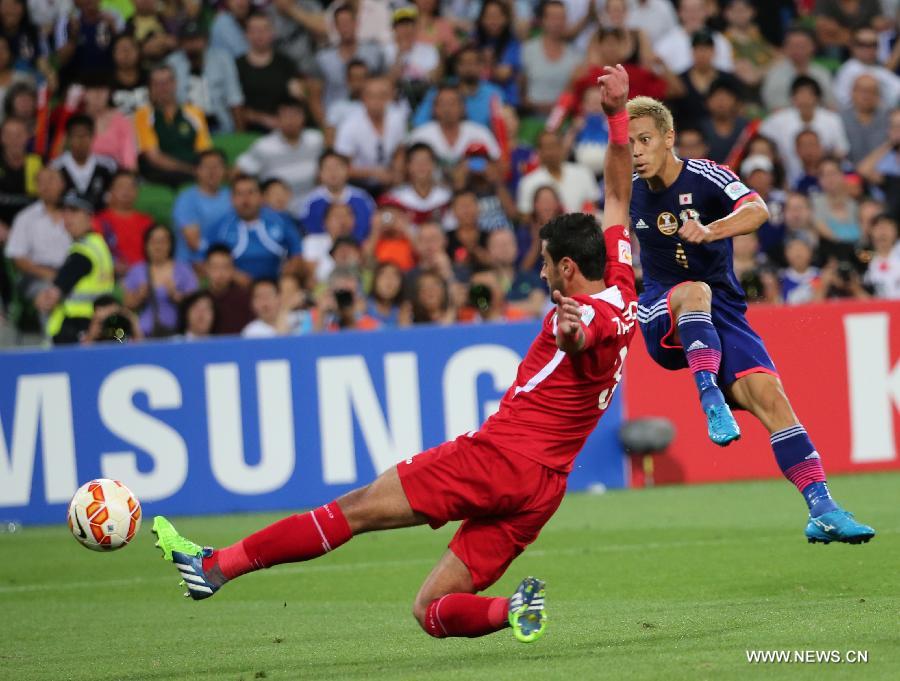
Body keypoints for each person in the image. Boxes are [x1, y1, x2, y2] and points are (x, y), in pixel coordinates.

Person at [151, 67, 638, 650]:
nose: (537, 270)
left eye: (543, 261)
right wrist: (616, 115)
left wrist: (569, 333)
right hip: (545, 488)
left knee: (355, 510)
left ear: (565, 269)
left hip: (499, 459)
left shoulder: (590, 314)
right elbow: (616, 192)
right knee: (429, 609)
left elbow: (581, 334)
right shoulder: (624, 282)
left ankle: (217, 566)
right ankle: (510, 610)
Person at [626, 95, 875, 544]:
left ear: (668, 137)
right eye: (629, 144)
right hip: (661, 308)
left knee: (771, 397)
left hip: (722, 310)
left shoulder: (706, 176)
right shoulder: (627, 189)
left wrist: (711, 229)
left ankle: (822, 507)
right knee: (692, 291)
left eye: (645, 140)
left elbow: (758, 209)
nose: (637, 151)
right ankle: (710, 398)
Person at [34, 192, 114, 344]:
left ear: (90, 217)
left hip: (77, 326)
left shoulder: (82, 253)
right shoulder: (98, 244)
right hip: (95, 324)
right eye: (65, 211)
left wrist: (40, 298)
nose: (67, 216)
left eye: (75, 211)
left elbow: (49, 299)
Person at [202, 174, 304, 280]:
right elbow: (203, 262)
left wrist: (287, 276)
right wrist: (233, 275)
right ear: (231, 199)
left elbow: (297, 254)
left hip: (277, 285)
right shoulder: (219, 227)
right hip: (235, 288)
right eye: (239, 194)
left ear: (261, 197)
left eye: (251, 192)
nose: (245, 199)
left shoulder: (282, 220)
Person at [758, 75, 849, 186]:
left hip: (823, 180)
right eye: (800, 94)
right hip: (787, 179)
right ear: (792, 98)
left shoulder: (832, 120)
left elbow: (841, 151)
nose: (804, 99)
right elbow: (760, 139)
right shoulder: (778, 120)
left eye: (809, 94)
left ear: (817, 98)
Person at [134, 64, 213, 187]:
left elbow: (204, 151)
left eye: (166, 82)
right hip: (162, 172)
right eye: (157, 84)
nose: (163, 88)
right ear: (150, 88)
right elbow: (154, 157)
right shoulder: (142, 115)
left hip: (193, 168)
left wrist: (205, 170)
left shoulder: (195, 113)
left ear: (175, 83)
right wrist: (192, 171)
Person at [235, 96, 324, 198]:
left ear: (304, 117)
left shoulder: (316, 139)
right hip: (278, 207)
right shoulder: (263, 146)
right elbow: (238, 172)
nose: (291, 120)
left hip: (313, 202)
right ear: (277, 119)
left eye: (296, 115)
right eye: (286, 115)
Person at [165, 21, 244, 134]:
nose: (193, 45)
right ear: (181, 43)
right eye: (188, 40)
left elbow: (234, 98)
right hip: (185, 126)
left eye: (197, 39)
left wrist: (240, 134)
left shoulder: (222, 59)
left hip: (220, 124)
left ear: (206, 40)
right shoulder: (172, 63)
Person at [333, 76, 407, 195]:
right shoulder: (350, 125)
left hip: (389, 182)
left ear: (389, 97)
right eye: (371, 96)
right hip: (358, 185)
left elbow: (399, 150)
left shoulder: (396, 118)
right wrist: (374, 173)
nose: (377, 101)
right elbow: (341, 167)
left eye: (382, 95)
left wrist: (397, 171)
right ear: (363, 98)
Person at [6, 167, 69, 307]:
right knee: (47, 295)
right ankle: (51, 329)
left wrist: (66, 275)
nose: (47, 186)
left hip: (70, 270)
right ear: (36, 187)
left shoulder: (75, 215)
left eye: (52, 180)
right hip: (36, 274)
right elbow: (18, 258)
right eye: (41, 182)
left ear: (63, 184)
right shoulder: (25, 218)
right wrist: (48, 274)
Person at [122, 224, 199, 338]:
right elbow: (126, 305)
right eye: (153, 241)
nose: (158, 246)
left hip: (177, 334)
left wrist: (177, 296)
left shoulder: (184, 270)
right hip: (143, 335)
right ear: (146, 245)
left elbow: (196, 304)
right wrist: (140, 295)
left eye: (163, 241)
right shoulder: (137, 271)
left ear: (171, 244)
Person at [236, 12, 303, 134]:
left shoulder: (286, 63)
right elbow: (235, 106)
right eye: (254, 30)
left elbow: (297, 100)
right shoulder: (237, 66)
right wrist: (263, 119)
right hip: (251, 132)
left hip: (283, 130)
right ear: (246, 34)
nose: (259, 35)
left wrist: (301, 93)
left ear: (272, 33)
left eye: (264, 30)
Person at [408, 84, 501, 169]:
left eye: (452, 103)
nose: (447, 109)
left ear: (463, 107)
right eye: (442, 104)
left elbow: (497, 164)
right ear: (434, 109)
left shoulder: (480, 133)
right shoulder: (420, 136)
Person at [294, 149, 376, 242]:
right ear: (319, 173)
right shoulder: (309, 202)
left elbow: (371, 228)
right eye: (328, 168)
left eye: (338, 167)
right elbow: (306, 232)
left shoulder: (363, 198)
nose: (333, 172)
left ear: (347, 170)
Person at [517, 130, 600, 217]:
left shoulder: (583, 172)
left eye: (555, 145)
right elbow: (526, 217)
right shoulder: (528, 182)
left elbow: (593, 205)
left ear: (562, 147)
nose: (551, 152)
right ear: (539, 151)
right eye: (547, 147)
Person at [172, 149, 232, 263]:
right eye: (207, 167)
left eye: (217, 166)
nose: (212, 171)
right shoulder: (186, 199)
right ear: (196, 170)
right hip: (193, 264)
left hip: (226, 262)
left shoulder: (231, 195)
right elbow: (194, 243)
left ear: (225, 170)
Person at [520, 0, 580, 115]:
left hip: (563, 118)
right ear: (542, 20)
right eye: (553, 17)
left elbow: (573, 94)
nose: (557, 22)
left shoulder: (575, 55)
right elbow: (521, 90)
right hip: (531, 117)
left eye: (561, 18)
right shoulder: (528, 50)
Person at [51, 114, 116, 211]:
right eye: (76, 135)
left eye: (85, 135)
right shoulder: (55, 167)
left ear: (93, 137)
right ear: (68, 138)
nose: (81, 140)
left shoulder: (107, 166)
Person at [92, 170, 154, 272]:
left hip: (143, 276)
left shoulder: (147, 221)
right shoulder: (98, 220)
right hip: (109, 274)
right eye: (121, 186)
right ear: (110, 191)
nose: (126, 191)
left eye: (131, 187)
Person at [382, 142, 450, 225]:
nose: (421, 166)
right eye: (416, 161)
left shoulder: (446, 196)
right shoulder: (396, 197)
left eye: (426, 161)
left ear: (434, 165)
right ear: (408, 166)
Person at [833, 26, 900, 110]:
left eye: (873, 45)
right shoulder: (848, 70)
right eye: (862, 44)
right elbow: (844, 103)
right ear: (852, 46)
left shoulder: (879, 68)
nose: (868, 49)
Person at [81, 72, 137, 170]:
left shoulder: (121, 120)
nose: (98, 95)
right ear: (85, 93)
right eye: (93, 89)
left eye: (102, 90)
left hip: (114, 174)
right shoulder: (77, 121)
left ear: (109, 93)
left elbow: (129, 159)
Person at [204, 243, 253, 335]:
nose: (220, 273)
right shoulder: (199, 300)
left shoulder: (245, 299)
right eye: (215, 267)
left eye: (225, 267)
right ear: (206, 269)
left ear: (233, 270)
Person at [864, 213, 900, 299]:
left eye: (888, 227)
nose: (883, 232)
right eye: (879, 227)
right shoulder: (863, 258)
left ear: (896, 231)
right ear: (870, 231)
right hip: (878, 309)